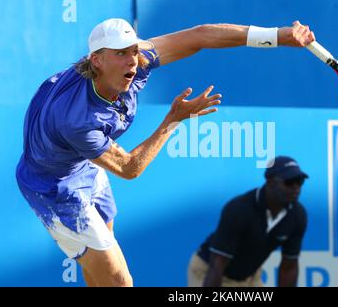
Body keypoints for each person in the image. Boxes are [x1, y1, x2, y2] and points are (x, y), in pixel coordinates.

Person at [16, 18, 315, 287]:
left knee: (101, 263)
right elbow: (130, 168)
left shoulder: (135, 61)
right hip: (54, 186)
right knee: (120, 281)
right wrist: (173, 120)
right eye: (121, 53)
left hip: (81, 163)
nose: (132, 60)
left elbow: (199, 36)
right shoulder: (77, 120)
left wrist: (277, 36)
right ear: (97, 60)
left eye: (133, 50)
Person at [188, 156, 309, 287]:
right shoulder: (239, 210)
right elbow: (217, 265)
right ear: (270, 182)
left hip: (249, 278)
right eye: (289, 182)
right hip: (211, 273)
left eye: (299, 181)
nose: (296, 188)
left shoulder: (297, 215)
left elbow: (288, 267)